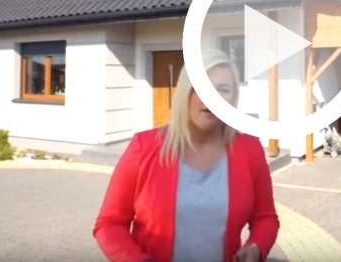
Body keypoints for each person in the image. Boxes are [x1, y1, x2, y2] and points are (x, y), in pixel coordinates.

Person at [93, 49, 280, 262]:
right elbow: (109, 224)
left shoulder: (250, 150)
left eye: (223, 90)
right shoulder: (143, 147)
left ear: (233, 98)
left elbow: (265, 218)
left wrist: (256, 247)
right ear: (185, 92)